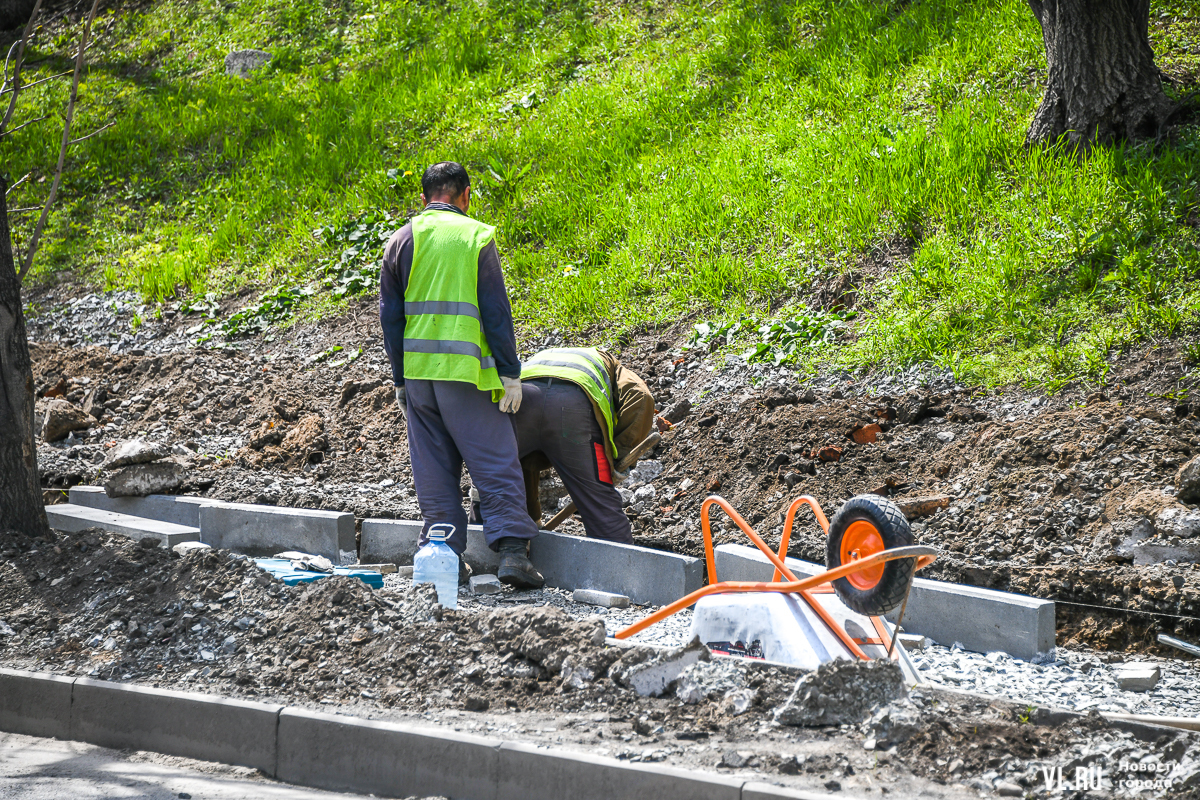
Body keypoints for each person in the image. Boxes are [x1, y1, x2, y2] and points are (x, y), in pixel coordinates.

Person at [379, 161, 544, 589]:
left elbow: (390, 319)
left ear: (424, 199)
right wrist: (510, 373)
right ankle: (511, 553)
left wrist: (400, 379)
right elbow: (495, 312)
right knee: (493, 457)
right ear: (466, 195)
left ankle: (443, 555)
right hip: (465, 375)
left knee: (432, 466)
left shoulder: (400, 241)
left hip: (419, 377)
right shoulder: (476, 237)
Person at [512, 347, 655, 544]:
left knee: (496, 484)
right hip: (571, 410)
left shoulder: (542, 356)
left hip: (520, 400)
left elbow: (523, 468)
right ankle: (617, 569)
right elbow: (641, 396)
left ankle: (487, 556)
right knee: (601, 508)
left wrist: (532, 518)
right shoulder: (610, 362)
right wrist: (617, 457)